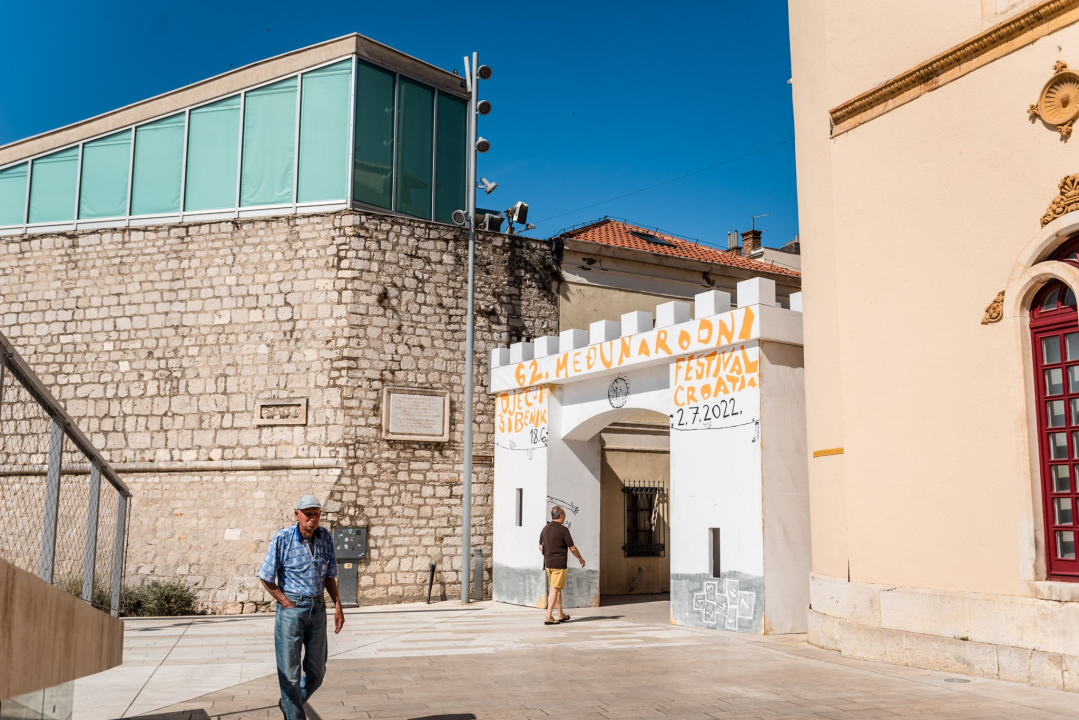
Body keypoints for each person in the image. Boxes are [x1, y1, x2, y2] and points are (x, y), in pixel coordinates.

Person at [257, 495, 345, 720]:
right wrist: (285, 602)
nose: (312, 518)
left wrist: (337, 606)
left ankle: (289, 703)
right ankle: (294, 713)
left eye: (316, 514)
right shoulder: (283, 538)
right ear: (296, 514)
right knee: (290, 674)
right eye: (308, 514)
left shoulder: (324, 536)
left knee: (317, 673)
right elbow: (266, 576)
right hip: (292, 610)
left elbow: (330, 576)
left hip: (317, 608)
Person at [538, 505, 585, 625]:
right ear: (560, 515)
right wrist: (580, 558)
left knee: (557, 589)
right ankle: (548, 616)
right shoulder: (563, 530)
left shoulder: (545, 528)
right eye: (564, 514)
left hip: (548, 563)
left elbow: (540, 546)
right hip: (559, 564)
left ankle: (560, 614)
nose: (565, 517)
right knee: (554, 589)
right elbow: (572, 548)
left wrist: (548, 555)